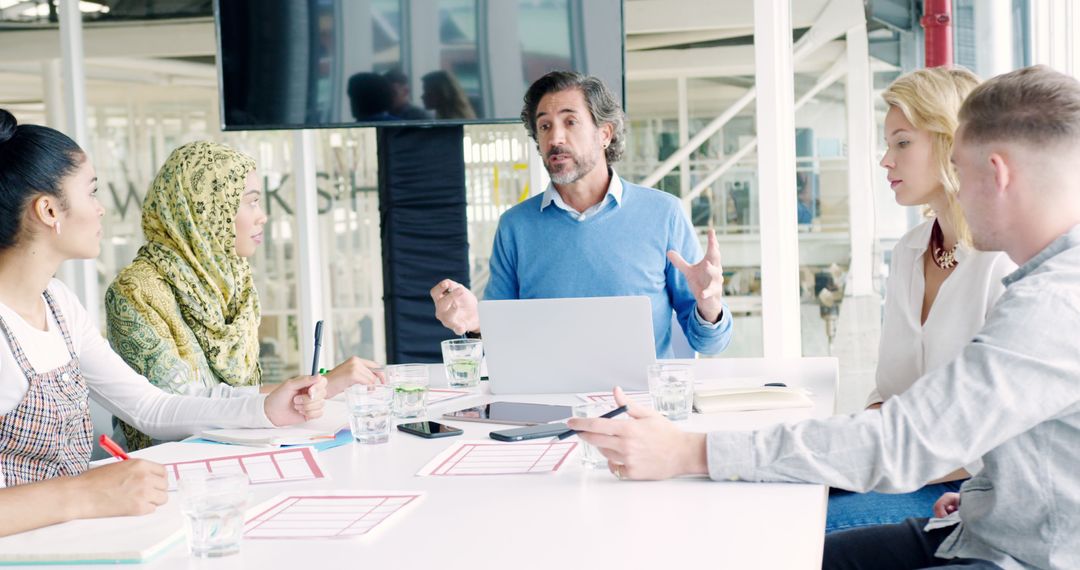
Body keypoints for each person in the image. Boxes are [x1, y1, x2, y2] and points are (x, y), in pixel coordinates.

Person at [568, 65, 1080, 570]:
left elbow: (908, 438)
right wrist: (985, 494)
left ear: (996, 173)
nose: (960, 190)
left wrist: (688, 452)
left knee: (780, 539)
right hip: (978, 526)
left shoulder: (1051, 305)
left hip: (1023, 554)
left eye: (963, 172)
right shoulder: (1039, 283)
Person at [0, 109, 325, 514]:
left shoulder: (60, 304)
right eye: (92, 192)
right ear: (49, 211)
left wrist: (265, 408)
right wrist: (85, 491)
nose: (101, 209)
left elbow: (152, 407)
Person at [825, 68, 1016, 533]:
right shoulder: (909, 251)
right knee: (777, 499)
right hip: (897, 467)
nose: (885, 160)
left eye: (902, 143)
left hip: (964, 491)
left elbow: (991, 435)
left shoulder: (1002, 263)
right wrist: (861, 439)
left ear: (952, 142)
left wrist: (870, 459)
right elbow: (888, 393)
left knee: (805, 531)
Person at [430, 71, 732, 358]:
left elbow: (709, 344)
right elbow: (498, 343)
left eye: (570, 122)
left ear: (604, 134)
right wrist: (476, 324)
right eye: (545, 126)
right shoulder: (516, 226)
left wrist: (708, 304)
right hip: (547, 405)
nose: (555, 138)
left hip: (638, 405)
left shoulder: (664, 214)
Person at [105, 141, 380, 451]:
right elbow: (176, 408)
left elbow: (239, 393)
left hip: (242, 453)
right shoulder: (136, 290)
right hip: (168, 468)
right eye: (250, 202)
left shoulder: (234, 282)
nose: (262, 216)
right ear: (207, 209)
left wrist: (309, 393)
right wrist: (322, 387)